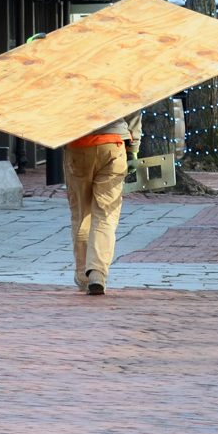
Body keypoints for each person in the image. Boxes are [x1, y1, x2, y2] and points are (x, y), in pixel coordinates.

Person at [64, 109, 141, 295]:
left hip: (78, 144)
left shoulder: (71, 79)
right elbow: (135, 109)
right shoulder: (119, 79)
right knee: (106, 214)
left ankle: (83, 275)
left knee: (81, 214)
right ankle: (97, 272)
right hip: (114, 144)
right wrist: (134, 149)